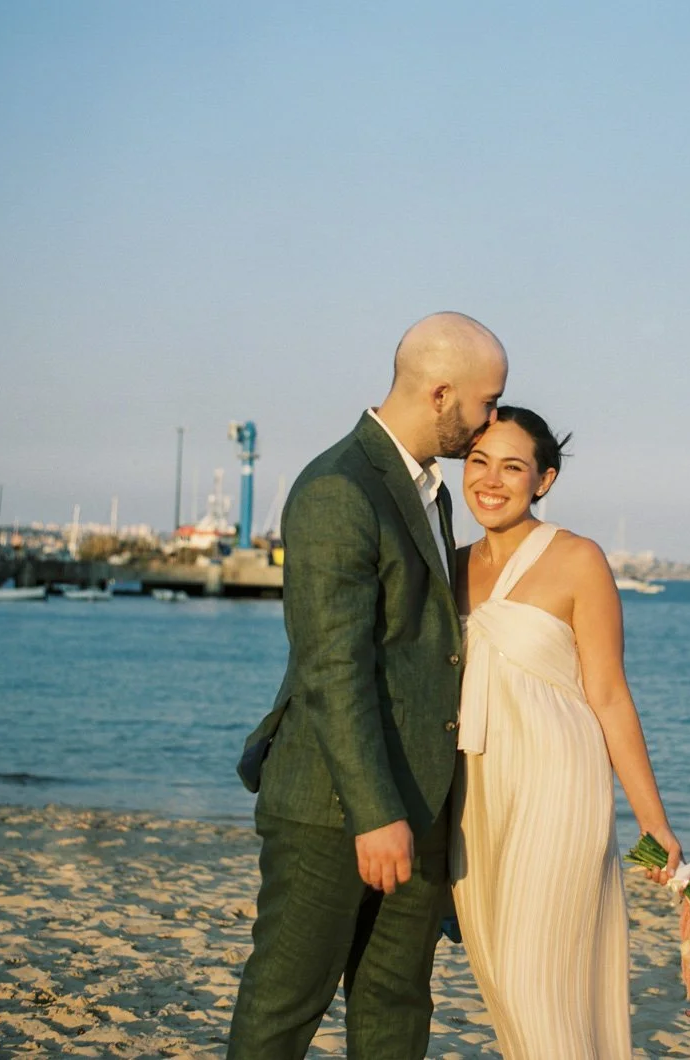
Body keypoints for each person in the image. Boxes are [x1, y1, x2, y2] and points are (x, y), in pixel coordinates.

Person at [228, 312, 508, 1059]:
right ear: (442, 392)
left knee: (394, 1010)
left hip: (417, 804)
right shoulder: (337, 487)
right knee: (285, 1009)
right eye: (487, 403)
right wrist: (375, 814)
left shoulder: (431, 492)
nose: (489, 424)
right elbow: (332, 667)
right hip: (333, 810)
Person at [450, 406, 682, 1059]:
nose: (492, 481)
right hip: (476, 792)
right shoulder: (450, 564)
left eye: (513, 467)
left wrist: (653, 822)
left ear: (543, 479)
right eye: (479, 462)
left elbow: (608, 693)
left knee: (530, 981)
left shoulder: (578, 559)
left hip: (560, 783)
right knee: (501, 981)